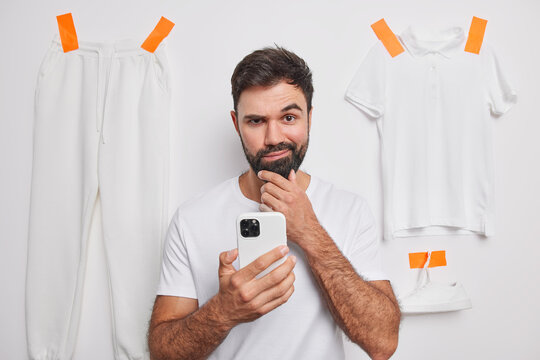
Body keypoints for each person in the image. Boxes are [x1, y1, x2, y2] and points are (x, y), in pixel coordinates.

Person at [147, 46, 401, 360]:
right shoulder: (192, 219)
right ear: (236, 123)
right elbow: (162, 352)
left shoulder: (350, 210)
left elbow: (382, 342)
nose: (273, 137)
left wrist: (309, 233)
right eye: (256, 121)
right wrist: (223, 312)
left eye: (289, 117)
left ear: (310, 117)